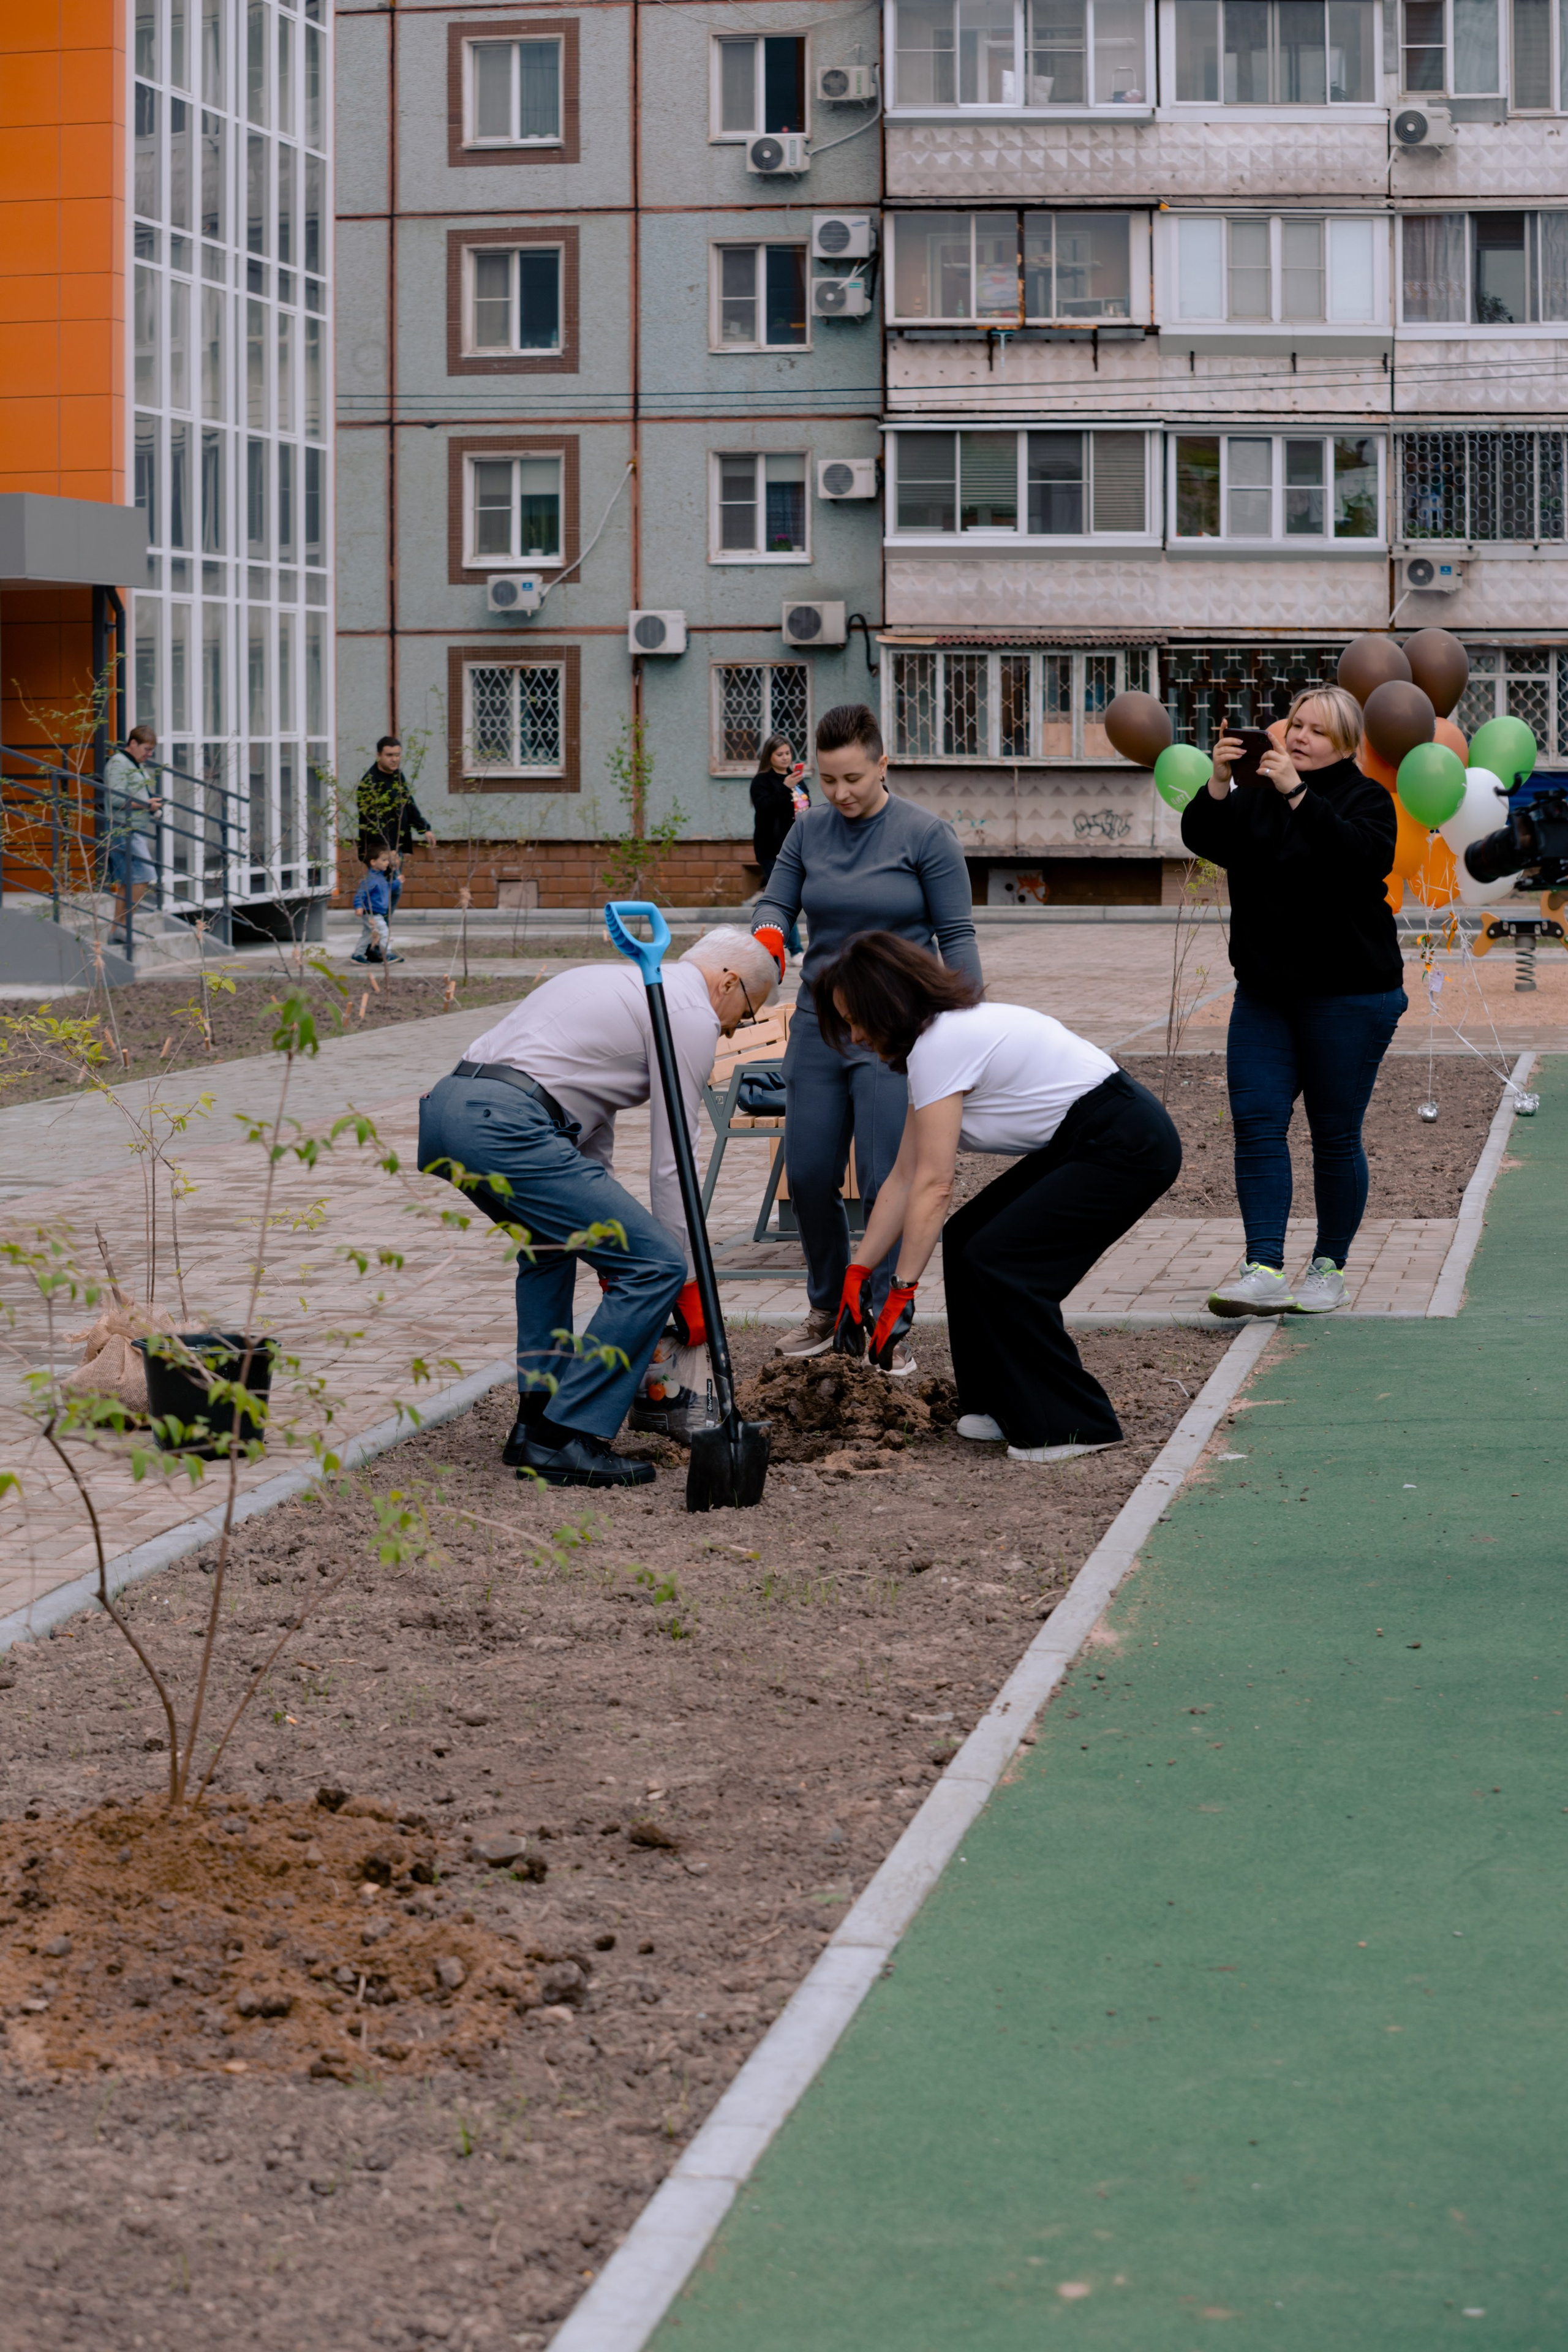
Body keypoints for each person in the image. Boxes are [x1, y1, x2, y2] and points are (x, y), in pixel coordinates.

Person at [417, 926, 780, 1488]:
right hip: (508, 1125)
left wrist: (613, 1253)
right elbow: (674, 1163)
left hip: (450, 1113)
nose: (735, 1027)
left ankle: (534, 1423)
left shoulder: (615, 984)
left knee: (550, 1251)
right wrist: (681, 1280)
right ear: (729, 981)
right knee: (656, 1261)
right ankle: (568, 1438)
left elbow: (589, 1139)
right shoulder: (687, 1012)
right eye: (748, 1011)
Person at [814, 933, 1182, 1462]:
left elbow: (935, 1184)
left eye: (856, 1019)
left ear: (886, 1004)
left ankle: (1073, 1424)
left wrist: (901, 1291)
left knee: (1004, 1263)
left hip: (1125, 1142)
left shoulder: (942, 1043)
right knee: (968, 1238)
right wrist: (858, 1272)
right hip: (1092, 1136)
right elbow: (903, 1177)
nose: (853, 1035)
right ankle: (999, 1404)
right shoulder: (933, 1044)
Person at [752, 703, 981, 1372]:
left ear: (883, 764)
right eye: (826, 780)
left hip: (895, 1034)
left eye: (853, 777)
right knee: (811, 1171)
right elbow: (776, 902)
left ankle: (887, 1322)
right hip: (821, 1028)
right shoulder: (809, 833)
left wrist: (966, 1026)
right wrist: (768, 937)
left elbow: (957, 936)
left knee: (887, 1179)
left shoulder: (925, 836)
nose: (841, 793)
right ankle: (829, 1307)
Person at [1180, 683, 1406, 1317]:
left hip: (1350, 997)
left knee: (1333, 1136)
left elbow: (1359, 857)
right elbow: (1206, 837)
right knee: (1256, 1125)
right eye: (1295, 725)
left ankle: (1328, 1268)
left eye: (1316, 730)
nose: (1299, 737)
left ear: (1345, 744)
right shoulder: (1256, 795)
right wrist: (1221, 780)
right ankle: (1262, 1266)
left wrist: (1295, 792)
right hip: (1264, 996)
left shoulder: (1366, 799)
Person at [748, 734, 810, 959]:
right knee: (785, 897)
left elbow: (805, 806)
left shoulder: (797, 778)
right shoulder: (762, 781)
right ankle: (796, 951)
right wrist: (785, 787)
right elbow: (764, 808)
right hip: (771, 849)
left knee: (802, 895)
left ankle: (776, 941)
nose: (785, 758)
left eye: (788, 753)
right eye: (780, 754)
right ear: (770, 756)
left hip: (797, 846)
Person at [104, 723, 162, 945]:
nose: (149, 755)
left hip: (131, 829)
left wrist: (148, 804)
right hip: (123, 828)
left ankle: (118, 931)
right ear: (133, 744)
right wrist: (147, 805)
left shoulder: (134, 764)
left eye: (151, 751)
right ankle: (124, 928)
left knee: (130, 881)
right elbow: (116, 799)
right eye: (146, 749)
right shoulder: (119, 764)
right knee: (143, 877)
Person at [353, 850, 397, 964]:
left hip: (376, 913)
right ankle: (387, 954)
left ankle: (358, 955)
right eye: (384, 860)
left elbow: (387, 888)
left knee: (368, 935)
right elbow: (361, 893)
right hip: (371, 913)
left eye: (387, 860)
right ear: (373, 862)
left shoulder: (380, 878)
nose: (387, 863)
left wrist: (398, 883)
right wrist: (358, 906)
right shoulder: (371, 879)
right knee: (384, 932)